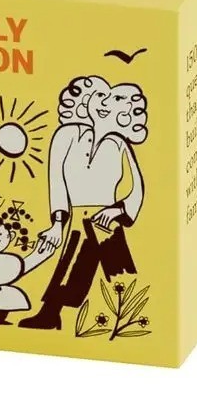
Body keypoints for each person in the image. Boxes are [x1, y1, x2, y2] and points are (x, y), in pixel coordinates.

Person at [19, 75, 148, 331]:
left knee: (117, 273)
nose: (103, 105)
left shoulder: (120, 144)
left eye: (109, 99)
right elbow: (56, 180)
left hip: (106, 220)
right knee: (70, 265)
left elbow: (137, 187)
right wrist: (57, 223)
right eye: (97, 97)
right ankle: (52, 313)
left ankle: (121, 322)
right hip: (76, 217)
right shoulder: (66, 135)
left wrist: (117, 210)